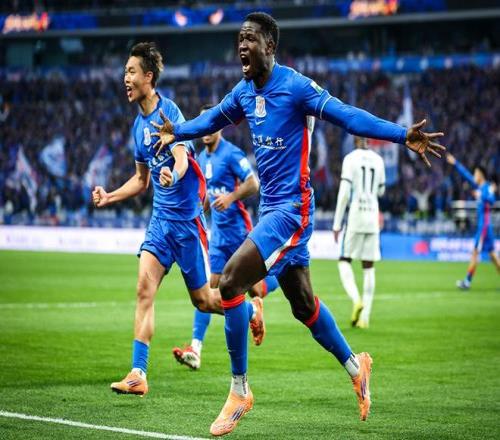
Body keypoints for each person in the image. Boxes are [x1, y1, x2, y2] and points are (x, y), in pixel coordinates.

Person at [150, 12, 445, 436]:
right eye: (239, 39)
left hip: (292, 209)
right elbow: (211, 119)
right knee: (303, 304)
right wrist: (176, 132)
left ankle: (239, 391)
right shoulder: (243, 92)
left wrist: (402, 135)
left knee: (229, 282)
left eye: (250, 39)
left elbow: (347, 116)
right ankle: (356, 366)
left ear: (270, 46)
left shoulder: (296, 87)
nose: (242, 46)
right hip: (271, 209)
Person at [92, 42, 264, 397]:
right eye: (124, 72)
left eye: (131, 72)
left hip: (187, 225)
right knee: (144, 290)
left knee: (204, 301)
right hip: (160, 224)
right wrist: (110, 195)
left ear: (148, 77)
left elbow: (182, 156)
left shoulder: (168, 112)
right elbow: (141, 180)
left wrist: (174, 174)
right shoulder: (137, 127)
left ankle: (251, 311)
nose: (125, 78)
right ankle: (138, 373)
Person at [172, 104, 279, 370]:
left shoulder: (231, 154)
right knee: (211, 289)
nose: (207, 131)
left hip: (240, 233)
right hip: (218, 238)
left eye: (212, 124)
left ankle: (282, 272)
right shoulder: (201, 159)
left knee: (256, 289)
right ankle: (195, 349)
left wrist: (230, 197)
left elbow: (253, 184)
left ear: (219, 127)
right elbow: (209, 196)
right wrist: (201, 209)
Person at [333, 137, 385, 329]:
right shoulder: (378, 160)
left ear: (355, 140)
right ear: (368, 140)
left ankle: (356, 300)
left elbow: (344, 193)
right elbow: (381, 191)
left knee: (344, 260)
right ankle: (365, 318)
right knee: (368, 267)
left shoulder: (350, 159)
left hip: (356, 216)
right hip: (372, 216)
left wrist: (337, 224)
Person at [446, 153, 499, 289]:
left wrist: (483, 195)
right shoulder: (479, 187)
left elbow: (492, 200)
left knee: (475, 252)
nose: (474, 175)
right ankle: (467, 281)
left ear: (481, 174)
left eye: (476, 173)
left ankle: (467, 282)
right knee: (493, 256)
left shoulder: (486, 188)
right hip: (485, 226)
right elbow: (466, 175)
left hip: (484, 227)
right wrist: (455, 163)